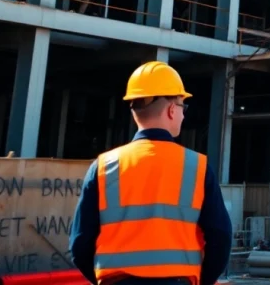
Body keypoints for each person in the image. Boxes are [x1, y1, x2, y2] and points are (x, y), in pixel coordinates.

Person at [69, 61, 233, 285]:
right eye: (183, 106)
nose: (184, 115)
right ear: (171, 109)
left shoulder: (103, 166)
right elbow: (220, 239)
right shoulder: (198, 167)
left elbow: (79, 244)